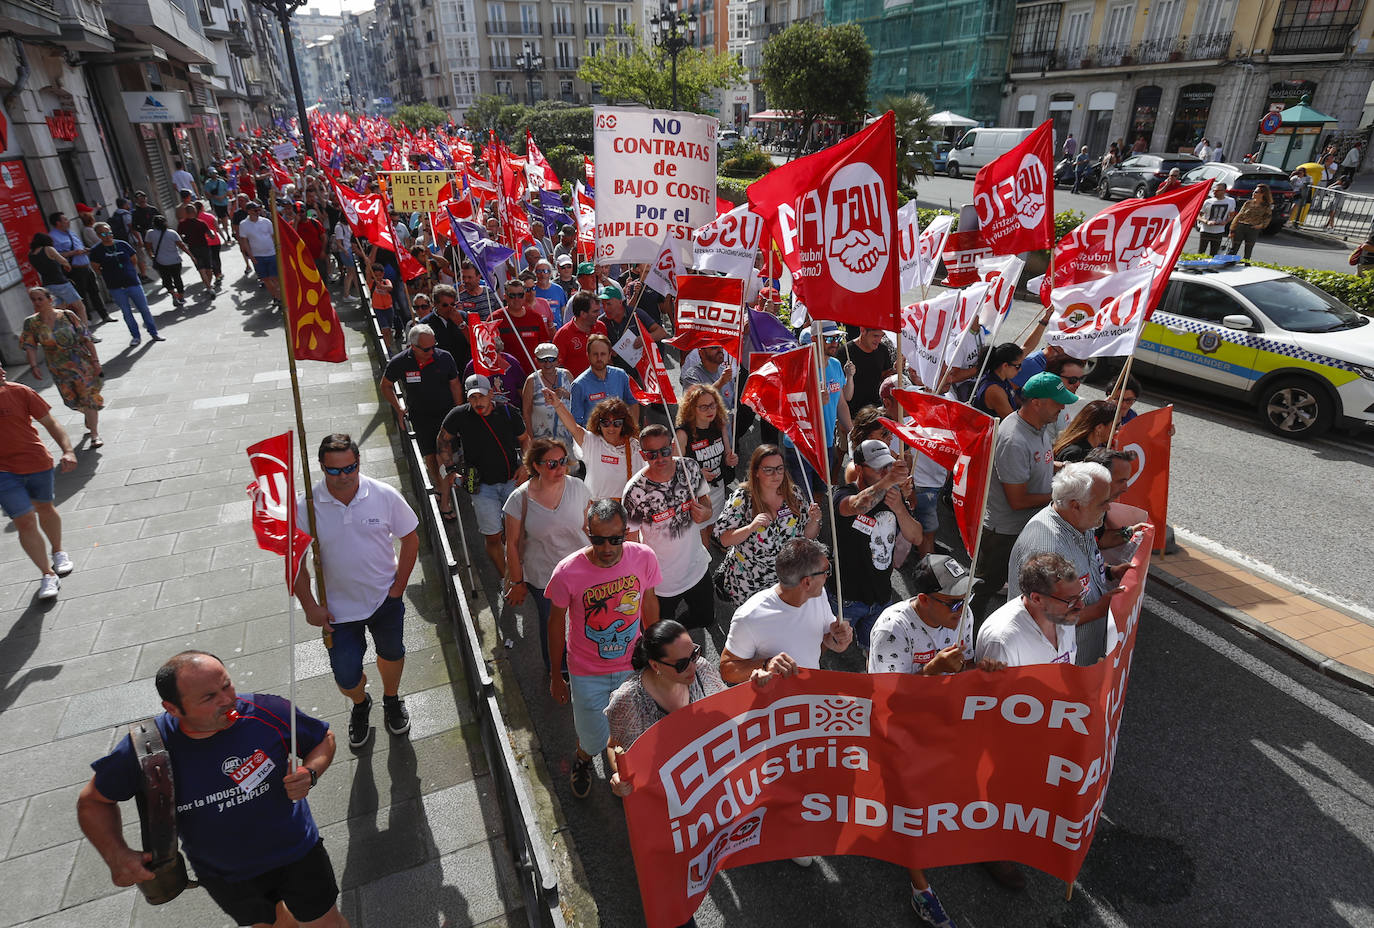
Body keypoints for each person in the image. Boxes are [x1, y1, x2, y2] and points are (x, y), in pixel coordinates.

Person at [77, 651, 348, 928]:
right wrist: (116, 855)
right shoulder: (147, 750)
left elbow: (323, 738)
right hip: (226, 875)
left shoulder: (267, 712)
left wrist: (310, 772)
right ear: (172, 708)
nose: (227, 700)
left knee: (326, 923)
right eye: (209, 697)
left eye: (226, 685)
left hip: (298, 853)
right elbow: (92, 802)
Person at [867, 553, 1000, 927]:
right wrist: (932, 670)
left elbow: (966, 665)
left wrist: (980, 669)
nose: (964, 609)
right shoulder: (891, 628)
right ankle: (920, 889)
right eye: (954, 602)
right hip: (897, 728)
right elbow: (889, 701)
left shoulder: (963, 615)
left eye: (967, 599)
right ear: (924, 599)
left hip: (943, 719)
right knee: (908, 806)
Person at [293, 434, 420, 748]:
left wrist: (398, 587)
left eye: (350, 467)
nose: (344, 476)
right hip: (337, 610)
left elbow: (411, 538)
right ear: (322, 467)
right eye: (334, 470)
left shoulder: (382, 494)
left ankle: (391, 699)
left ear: (358, 462)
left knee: (392, 653)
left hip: (383, 600)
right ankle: (360, 702)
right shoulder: (306, 506)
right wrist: (310, 606)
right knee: (346, 675)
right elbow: (294, 562)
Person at [973, 551, 1087, 890]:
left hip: (1049, 728)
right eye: (1070, 599)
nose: (1079, 605)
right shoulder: (1003, 639)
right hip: (1012, 742)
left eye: (1079, 594)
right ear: (1036, 598)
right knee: (1004, 793)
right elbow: (990, 712)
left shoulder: (1063, 616)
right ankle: (994, 850)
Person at [546, 498, 661, 798]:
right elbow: (556, 624)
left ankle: (626, 777)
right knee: (592, 737)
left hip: (631, 666)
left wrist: (656, 651)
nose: (607, 547)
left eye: (615, 539)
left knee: (630, 730)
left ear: (626, 531)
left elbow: (649, 601)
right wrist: (556, 675)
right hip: (586, 674)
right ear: (587, 532)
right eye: (598, 539)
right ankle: (583, 760)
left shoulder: (644, 557)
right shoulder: (566, 571)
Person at [968, 372, 1079, 623]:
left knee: (1025, 591)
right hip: (1003, 533)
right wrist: (1061, 495)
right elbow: (1017, 500)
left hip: (1025, 528)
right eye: (1057, 401)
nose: (1062, 407)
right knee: (983, 589)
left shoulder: (1040, 425)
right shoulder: (1014, 440)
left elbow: (1041, 463)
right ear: (1037, 402)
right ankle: (964, 641)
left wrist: (1065, 468)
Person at [1008, 462, 1134, 666]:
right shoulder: (1047, 550)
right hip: (1060, 664)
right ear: (1076, 505)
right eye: (1103, 502)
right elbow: (1045, 617)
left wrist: (1110, 572)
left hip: (1084, 650)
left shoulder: (1082, 521)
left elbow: (1084, 567)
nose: (1108, 507)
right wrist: (1101, 609)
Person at [504, 438, 593, 670]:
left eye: (563, 462)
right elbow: (512, 544)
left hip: (581, 572)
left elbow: (587, 527)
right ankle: (557, 669)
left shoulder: (578, 487)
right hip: (544, 577)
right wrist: (517, 581)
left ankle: (586, 661)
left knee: (585, 619)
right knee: (552, 623)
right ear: (536, 466)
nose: (560, 468)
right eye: (552, 464)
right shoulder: (518, 499)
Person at [719, 537, 853, 687]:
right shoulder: (749, 617)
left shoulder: (818, 594)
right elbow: (727, 668)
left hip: (807, 691)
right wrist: (766, 664)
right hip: (774, 703)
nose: (828, 576)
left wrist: (837, 640)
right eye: (826, 571)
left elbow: (824, 641)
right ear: (807, 582)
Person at [831, 439, 922, 648]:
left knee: (875, 650)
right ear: (859, 468)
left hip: (881, 596)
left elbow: (916, 537)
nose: (884, 471)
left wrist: (900, 508)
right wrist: (890, 480)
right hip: (846, 597)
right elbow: (857, 506)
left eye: (888, 465)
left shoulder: (893, 496)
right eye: (878, 467)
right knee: (829, 645)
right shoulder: (844, 494)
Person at [623, 425, 716, 629]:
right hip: (661, 582)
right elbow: (630, 542)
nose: (660, 458)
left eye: (664, 451)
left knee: (705, 618)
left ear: (672, 447)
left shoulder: (690, 467)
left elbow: (705, 500)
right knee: (661, 633)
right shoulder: (634, 492)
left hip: (696, 568)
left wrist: (706, 512)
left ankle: (678, 632)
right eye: (651, 454)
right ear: (642, 454)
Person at [0, 362, 77, 601]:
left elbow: (51, 423)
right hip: (3, 471)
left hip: (36, 463)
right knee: (24, 520)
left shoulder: (20, 392)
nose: (2, 371)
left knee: (45, 508)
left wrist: (68, 450)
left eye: (1, 366)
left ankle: (58, 551)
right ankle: (47, 574)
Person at [439, 374, 529, 576]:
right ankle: (507, 577)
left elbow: (525, 440)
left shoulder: (508, 411)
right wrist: (451, 468)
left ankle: (519, 568)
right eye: (472, 397)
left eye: (481, 396)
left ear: (491, 394)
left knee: (517, 532)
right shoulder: (458, 415)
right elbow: (443, 440)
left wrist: (525, 465)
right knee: (493, 536)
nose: (477, 402)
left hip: (511, 482)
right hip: (481, 486)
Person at [713, 444, 822, 605]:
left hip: (785, 580)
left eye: (779, 468)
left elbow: (807, 536)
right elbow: (722, 539)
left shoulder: (794, 494)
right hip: (749, 582)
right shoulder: (742, 498)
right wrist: (751, 527)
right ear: (756, 472)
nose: (776, 475)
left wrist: (814, 520)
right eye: (768, 470)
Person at [381, 324, 463, 521]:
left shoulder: (444, 357)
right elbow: (386, 385)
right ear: (413, 346)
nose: (431, 351)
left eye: (434, 346)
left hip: (445, 416)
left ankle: (444, 501)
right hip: (421, 416)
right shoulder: (400, 362)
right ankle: (440, 485)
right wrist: (398, 408)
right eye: (427, 349)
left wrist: (460, 412)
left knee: (443, 456)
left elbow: (455, 385)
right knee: (431, 457)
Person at [21, 286, 104, 448]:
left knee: (88, 398)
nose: (37, 302)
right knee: (72, 401)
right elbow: (30, 345)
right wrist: (33, 366)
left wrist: (95, 361)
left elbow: (86, 338)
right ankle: (88, 414)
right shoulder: (31, 323)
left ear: (50, 299)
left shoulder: (68, 316)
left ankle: (94, 434)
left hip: (81, 364)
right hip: (58, 369)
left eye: (40, 299)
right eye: (34, 300)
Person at [547, 393, 642, 499]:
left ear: (624, 424)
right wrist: (558, 405)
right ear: (598, 423)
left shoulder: (635, 447)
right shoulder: (591, 442)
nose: (611, 428)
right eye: (605, 423)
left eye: (617, 423)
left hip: (625, 510)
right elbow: (573, 427)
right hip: (596, 509)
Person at [674, 383, 737, 540]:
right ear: (691, 409)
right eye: (703, 407)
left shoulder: (719, 425)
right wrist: (697, 474)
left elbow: (727, 457)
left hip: (718, 487)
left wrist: (730, 459)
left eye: (712, 405)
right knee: (700, 536)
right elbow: (674, 469)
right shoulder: (683, 434)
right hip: (697, 494)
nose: (710, 410)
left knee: (712, 527)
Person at [88, 222, 163, 347]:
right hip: (115, 287)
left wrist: (129, 272)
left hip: (132, 283)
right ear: (98, 235)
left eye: (109, 232)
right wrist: (110, 275)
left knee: (144, 309)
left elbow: (134, 259)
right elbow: (96, 268)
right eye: (104, 234)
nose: (108, 236)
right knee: (127, 312)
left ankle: (153, 333)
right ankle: (135, 336)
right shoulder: (96, 250)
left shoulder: (122, 244)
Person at [48, 211, 111, 323]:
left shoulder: (71, 233)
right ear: (58, 223)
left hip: (86, 266)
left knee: (94, 291)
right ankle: (87, 320)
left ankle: (104, 315)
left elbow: (79, 246)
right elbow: (55, 255)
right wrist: (73, 253)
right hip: (74, 269)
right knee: (81, 296)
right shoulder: (53, 237)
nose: (68, 221)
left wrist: (85, 250)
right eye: (65, 219)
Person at [567, 333, 638, 426]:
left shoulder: (621, 375)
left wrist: (632, 431)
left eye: (603, 354)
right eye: (595, 354)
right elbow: (576, 421)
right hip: (593, 437)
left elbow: (633, 403)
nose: (599, 358)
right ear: (588, 355)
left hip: (620, 435)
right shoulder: (578, 385)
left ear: (609, 355)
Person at [28, 232, 91, 328]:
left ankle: (63, 334)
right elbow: (63, 261)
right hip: (61, 283)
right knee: (80, 307)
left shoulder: (31, 254)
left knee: (59, 313)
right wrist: (67, 266)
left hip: (47, 285)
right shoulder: (48, 249)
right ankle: (86, 333)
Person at [494, 278, 553, 371]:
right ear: (505, 296)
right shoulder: (495, 319)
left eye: (520, 295)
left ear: (524, 296)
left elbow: (544, 346)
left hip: (534, 372)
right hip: (507, 373)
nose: (516, 299)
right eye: (512, 295)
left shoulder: (536, 318)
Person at [840, 327, 896, 417]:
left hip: (877, 413)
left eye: (881, 336)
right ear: (863, 330)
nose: (879, 340)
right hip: (853, 415)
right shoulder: (844, 352)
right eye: (875, 336)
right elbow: (840, 391)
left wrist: (894, 370)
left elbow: (884, 378)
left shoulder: (883, 350)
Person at [553, 290, 607, 379]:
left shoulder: (601, 327)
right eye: (595, 311)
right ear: (583, 314)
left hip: (601, 385)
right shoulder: (563, 335)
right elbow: (557, 367)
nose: (599, 314)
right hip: (576, 388)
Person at [237, 201, 282, 301]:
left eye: (259, 209)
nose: (258, 212)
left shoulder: (266, 222)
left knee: (275, 278)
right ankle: (275, 296)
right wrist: (251, 256)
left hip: (271, 254)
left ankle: (279, 297)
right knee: (265, 279)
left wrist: (278, 251)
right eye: (255, 210)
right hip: (257, 256)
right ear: (249, 211)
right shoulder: (243, 225)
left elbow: (273, 237)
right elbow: (244, 241)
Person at [1053, 399, 1118, 463]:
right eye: (1116, 426)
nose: (1117, 431)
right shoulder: (1077, 455)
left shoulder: (1092, 449)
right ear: (1099, 427)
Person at [971, 343, 1024, 419]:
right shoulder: (994, 390)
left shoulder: (1002, 378)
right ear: (1005, 366)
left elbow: (1015, 399)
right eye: (1017, 366)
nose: (1020, 369)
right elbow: (1011, 422)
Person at [1228, 184, 1272, 259]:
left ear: (1262, 194)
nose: (1253, 193)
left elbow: (1267, 218)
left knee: (1248, 249)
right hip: (1241, 226)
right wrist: (1232, 229)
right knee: (1234, 247)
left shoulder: (1266, 206)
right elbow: (1239, 215)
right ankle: (1229, 261)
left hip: (1253, 229)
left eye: (1256, 192)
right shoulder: (1248, 203)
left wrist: (1260, 226)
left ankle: (1246, 262)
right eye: (1254, 191)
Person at [1196, 182, 1237, 255]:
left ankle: (1210, 265)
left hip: (1219, 231)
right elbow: (1198, 216)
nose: (1214, 192)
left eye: (1217, 190)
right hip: (1205, 230)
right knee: (1201, 252)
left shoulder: (1231, 201)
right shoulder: (1208, 202)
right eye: (1214, 190)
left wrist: (1226, 222)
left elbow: (1232, 215)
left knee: (1214, 253)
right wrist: (1206, 221)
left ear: (1224, 191)